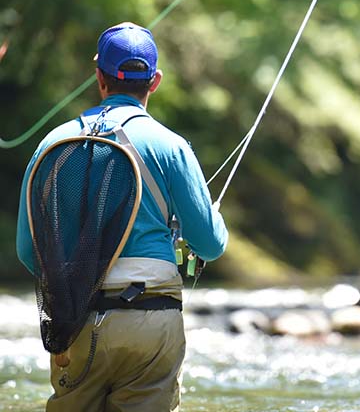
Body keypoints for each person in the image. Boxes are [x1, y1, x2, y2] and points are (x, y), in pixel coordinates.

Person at [16, 21, 228, 412]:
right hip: (153, 320)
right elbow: (210, 245)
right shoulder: (172, 147)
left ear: (99, 77)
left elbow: (29, 251)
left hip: (76, 324)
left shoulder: (51, 145)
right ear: (155, 81)